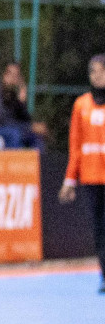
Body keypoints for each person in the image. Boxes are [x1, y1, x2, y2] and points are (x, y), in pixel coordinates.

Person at [60, 55, 105, 292]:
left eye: (101, 71)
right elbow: (75, 146)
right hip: (91, 177)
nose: (96, 76)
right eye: (93, 72)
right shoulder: (81, 105)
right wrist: (70, 180)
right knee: (98, 228)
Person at [0, 61, 47, 149]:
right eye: (10, 74)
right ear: (3, 75)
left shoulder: (14, 93)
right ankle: (15, 162)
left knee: (36, 136)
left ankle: (38, 161)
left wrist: (21, 102)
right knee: (15, 134)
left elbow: (25, 119)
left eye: (16, 75)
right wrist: (29, 127)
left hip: (14, 127)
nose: (13, 78)